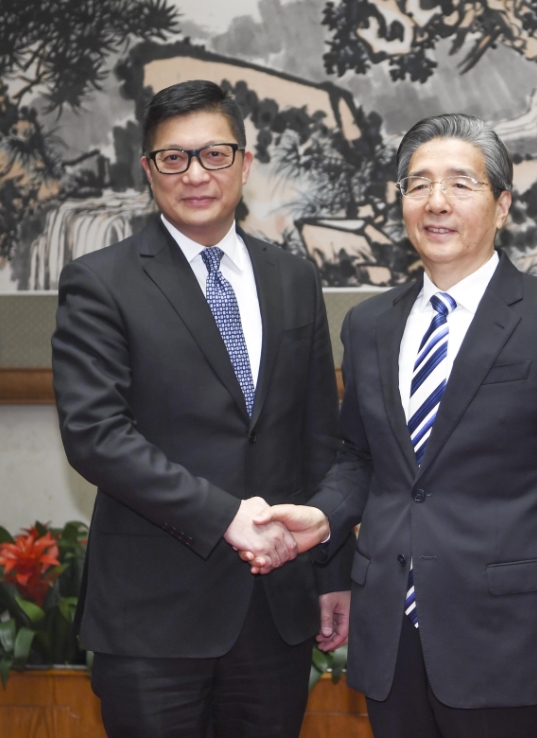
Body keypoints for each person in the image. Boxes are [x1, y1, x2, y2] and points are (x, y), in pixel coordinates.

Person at [243, 114, 537, 738]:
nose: (436, 202)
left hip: (509, 641)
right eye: (418, 184)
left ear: (502, 205)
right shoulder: (369, 325)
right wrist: (323, 517)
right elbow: (360, 458)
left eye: (460, 184)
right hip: (391, 635)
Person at [51, 79, 354, 738]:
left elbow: (318, 438)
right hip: (153, 615)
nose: (195, 174)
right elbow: (96, 436)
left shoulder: (294, 278)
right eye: (174, 158)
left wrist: (333, 573)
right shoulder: (101, 282)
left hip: (275, 608)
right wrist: (225, 517)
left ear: (245, 164)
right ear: (148, 170)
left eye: (215, 154)